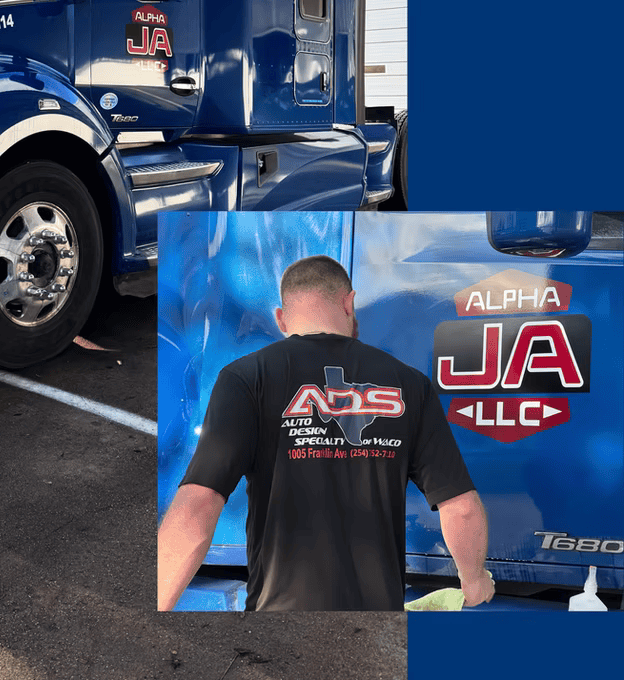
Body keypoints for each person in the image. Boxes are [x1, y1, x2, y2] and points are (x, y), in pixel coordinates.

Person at [157, 254, 496, 611]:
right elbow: (461, 508)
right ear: (349, 302)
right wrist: (473, 581)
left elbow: (197, 507)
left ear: (281, 318)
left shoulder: (245, 377)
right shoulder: (409, 384)